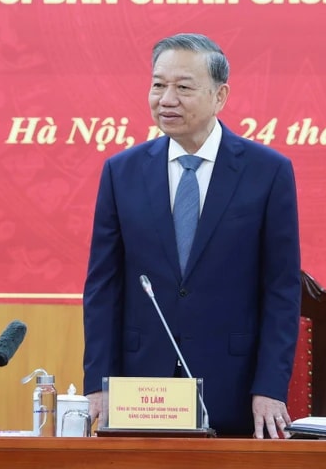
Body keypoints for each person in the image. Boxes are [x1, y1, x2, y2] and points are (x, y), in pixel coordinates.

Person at [82, 33, 301, 439]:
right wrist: (98, 382)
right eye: (158, 84)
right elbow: (103, 287)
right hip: (140, 390)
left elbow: (281, 290)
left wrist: (269, 388)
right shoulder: (121, 173)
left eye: (183, 87)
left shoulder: (267, 172)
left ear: (220, 96)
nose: (166, 99)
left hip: (232, 387)